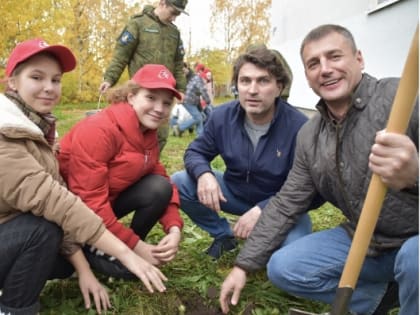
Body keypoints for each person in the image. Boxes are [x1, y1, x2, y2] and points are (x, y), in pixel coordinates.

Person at [220, 24, 418, 315]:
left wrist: (415, 174)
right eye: (314, 63)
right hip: (366, 242)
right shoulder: (310, 135)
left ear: (359, 59)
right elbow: (287, 202)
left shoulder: (402, 98)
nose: (325, 69)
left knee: (414, 259)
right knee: (283, 267)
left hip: (414, 239)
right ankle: (380, 298)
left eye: (334, 57)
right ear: (307, 76)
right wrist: (243, 265)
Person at [0, 38, 167, 315]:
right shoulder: (6, 133)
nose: (49, 88)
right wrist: (129, 252)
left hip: (29, 226)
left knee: (63, 257)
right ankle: (12, 309)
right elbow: (55, 202)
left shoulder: (34, 128)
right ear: (13, 82)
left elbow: (57, 202)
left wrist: (84, 270)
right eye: (37, 77)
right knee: (43, 231)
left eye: (55, 80)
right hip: (32, 226)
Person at [171, 46, 319, 260]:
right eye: (245, 81)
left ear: (279, 87)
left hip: (281, 205)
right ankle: (225, 234)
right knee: (180, 181)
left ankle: (265, 237)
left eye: (263, 81)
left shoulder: (300, 128)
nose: (252, 90)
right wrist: (204, 174)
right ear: (236, 85)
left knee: (289, 258)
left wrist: (263, 209)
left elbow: (311, 189)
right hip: (234, 192)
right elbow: (195, 151)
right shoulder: (222, 117)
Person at [58, 64, 184, 279]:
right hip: (74, 218)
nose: (159, 108)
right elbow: (89, 201)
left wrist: (174, 228)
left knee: (159, 187)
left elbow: (160, 176)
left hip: (105, 205)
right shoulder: (99, 130)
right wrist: (137, 248)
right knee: (129, 271)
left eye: (166, 102)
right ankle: (90, 250)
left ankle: (122, 245)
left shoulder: (147, 131)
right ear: (131, 96)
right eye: (151, 97)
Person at [98, 0, 189, 153]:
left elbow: (178, 64)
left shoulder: (175, 33)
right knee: (133, 134)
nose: (174, 18)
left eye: (178, 15)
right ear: (162, 3)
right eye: (173, 13)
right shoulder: (137, 24)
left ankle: (150, 167)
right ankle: (131, 167)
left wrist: (181, 88)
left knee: (160, 135)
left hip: (164, 92)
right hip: (141, 92)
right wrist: (109, 79)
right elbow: (121, 55)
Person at [173, 63, 211, 137]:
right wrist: (208, 101)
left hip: (194, 101)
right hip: (188, 100)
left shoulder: (195, 77)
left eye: (183, 70)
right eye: (181, 71)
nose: (183, 72)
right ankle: (180, 128)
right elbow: (202, 90)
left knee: (202, 117)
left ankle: (182, 129)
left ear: (187, 67)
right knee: (198, 117)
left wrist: (207, 100)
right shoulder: (184, 77)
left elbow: (202, 90)